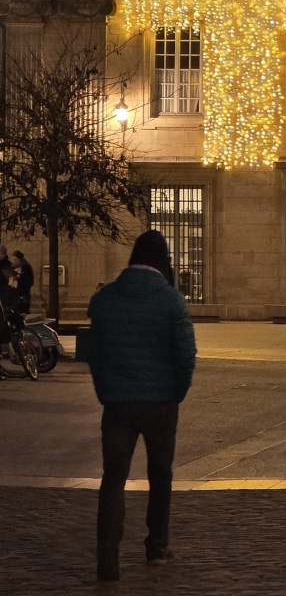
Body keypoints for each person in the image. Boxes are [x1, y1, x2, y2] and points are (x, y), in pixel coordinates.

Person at [86, 230, 196, 583]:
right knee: (160, 475)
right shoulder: (170, 300)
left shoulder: (105, 299)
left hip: (117, 402)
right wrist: (176, 392)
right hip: (160, 402)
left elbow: (94, 353)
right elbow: (185, 354)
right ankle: (156, 546)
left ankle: (108, 558)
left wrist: (106, 390)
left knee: (113, 478)